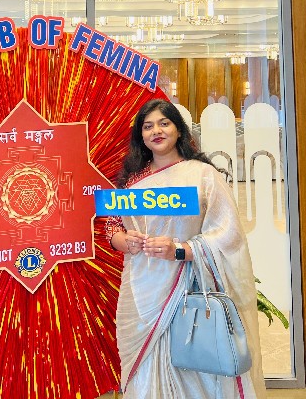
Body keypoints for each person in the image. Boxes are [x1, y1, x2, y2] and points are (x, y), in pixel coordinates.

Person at [106, 99, 266, 398]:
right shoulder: (131, 180)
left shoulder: (203, 175)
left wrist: (179, 250)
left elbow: (228, 235)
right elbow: (112, 226)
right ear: (141, 135)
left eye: (164, 123)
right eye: (148, 126)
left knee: (195, 358)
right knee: (144, 366)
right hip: (141, 288)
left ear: (179, 130)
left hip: (190, 285)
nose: (156, 131)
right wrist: (123, 241)